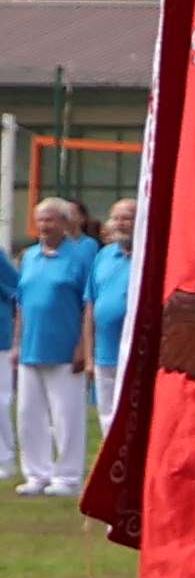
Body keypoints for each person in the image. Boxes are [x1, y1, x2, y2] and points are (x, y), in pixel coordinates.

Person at [12, 194, 94, 491]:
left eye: (50, 219)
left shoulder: (81, 257)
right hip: (30, 350)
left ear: (63, 223)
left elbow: (88, 305)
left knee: (66, 416)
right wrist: (17, 343)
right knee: (28, 415)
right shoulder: (29, 257)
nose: (44, 225)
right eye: (40, 220)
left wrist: (82, 347)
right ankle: (36, 474)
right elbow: (21, 302)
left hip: (64, 349)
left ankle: (67, 476)